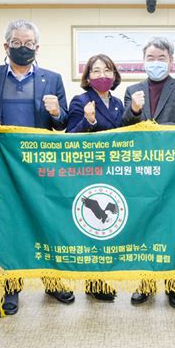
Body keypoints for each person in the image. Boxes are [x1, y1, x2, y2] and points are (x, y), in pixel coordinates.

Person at [0, 19, 73, 315]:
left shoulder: (52, 78)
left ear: (37, 47)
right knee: (10, 228)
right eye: (17, 43)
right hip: (6, 167)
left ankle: (52, 281)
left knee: (48, 224)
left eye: (29, 43)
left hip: (42, 168)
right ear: (6, 46)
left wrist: (58, 112)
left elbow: (64, 123)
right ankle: (11, 287)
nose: (23, 48)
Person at [123, 36, 175, 308]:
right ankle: (145, 284)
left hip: (174, 171)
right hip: (142, 172)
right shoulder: (133, 90)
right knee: (143, 227)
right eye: (150, 58)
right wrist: (134, 110)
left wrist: (157, 133)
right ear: (143, 61)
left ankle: (173, 285)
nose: (156, 63)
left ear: (171, 61)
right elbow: (125, 127)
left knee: (172, 228)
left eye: (161, 58)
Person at [67, 54, 124, 301]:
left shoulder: (119, 103)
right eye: (97, 71)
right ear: (88, 77)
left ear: (114, 75)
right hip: (89, 174)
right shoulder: (80, 100)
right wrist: (88, 121)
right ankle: (94, 281)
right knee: (94, 228)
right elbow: (70, 136)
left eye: (107, 70)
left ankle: (106, 276)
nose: (103, 76)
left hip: (115, 173)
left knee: (111, 227)